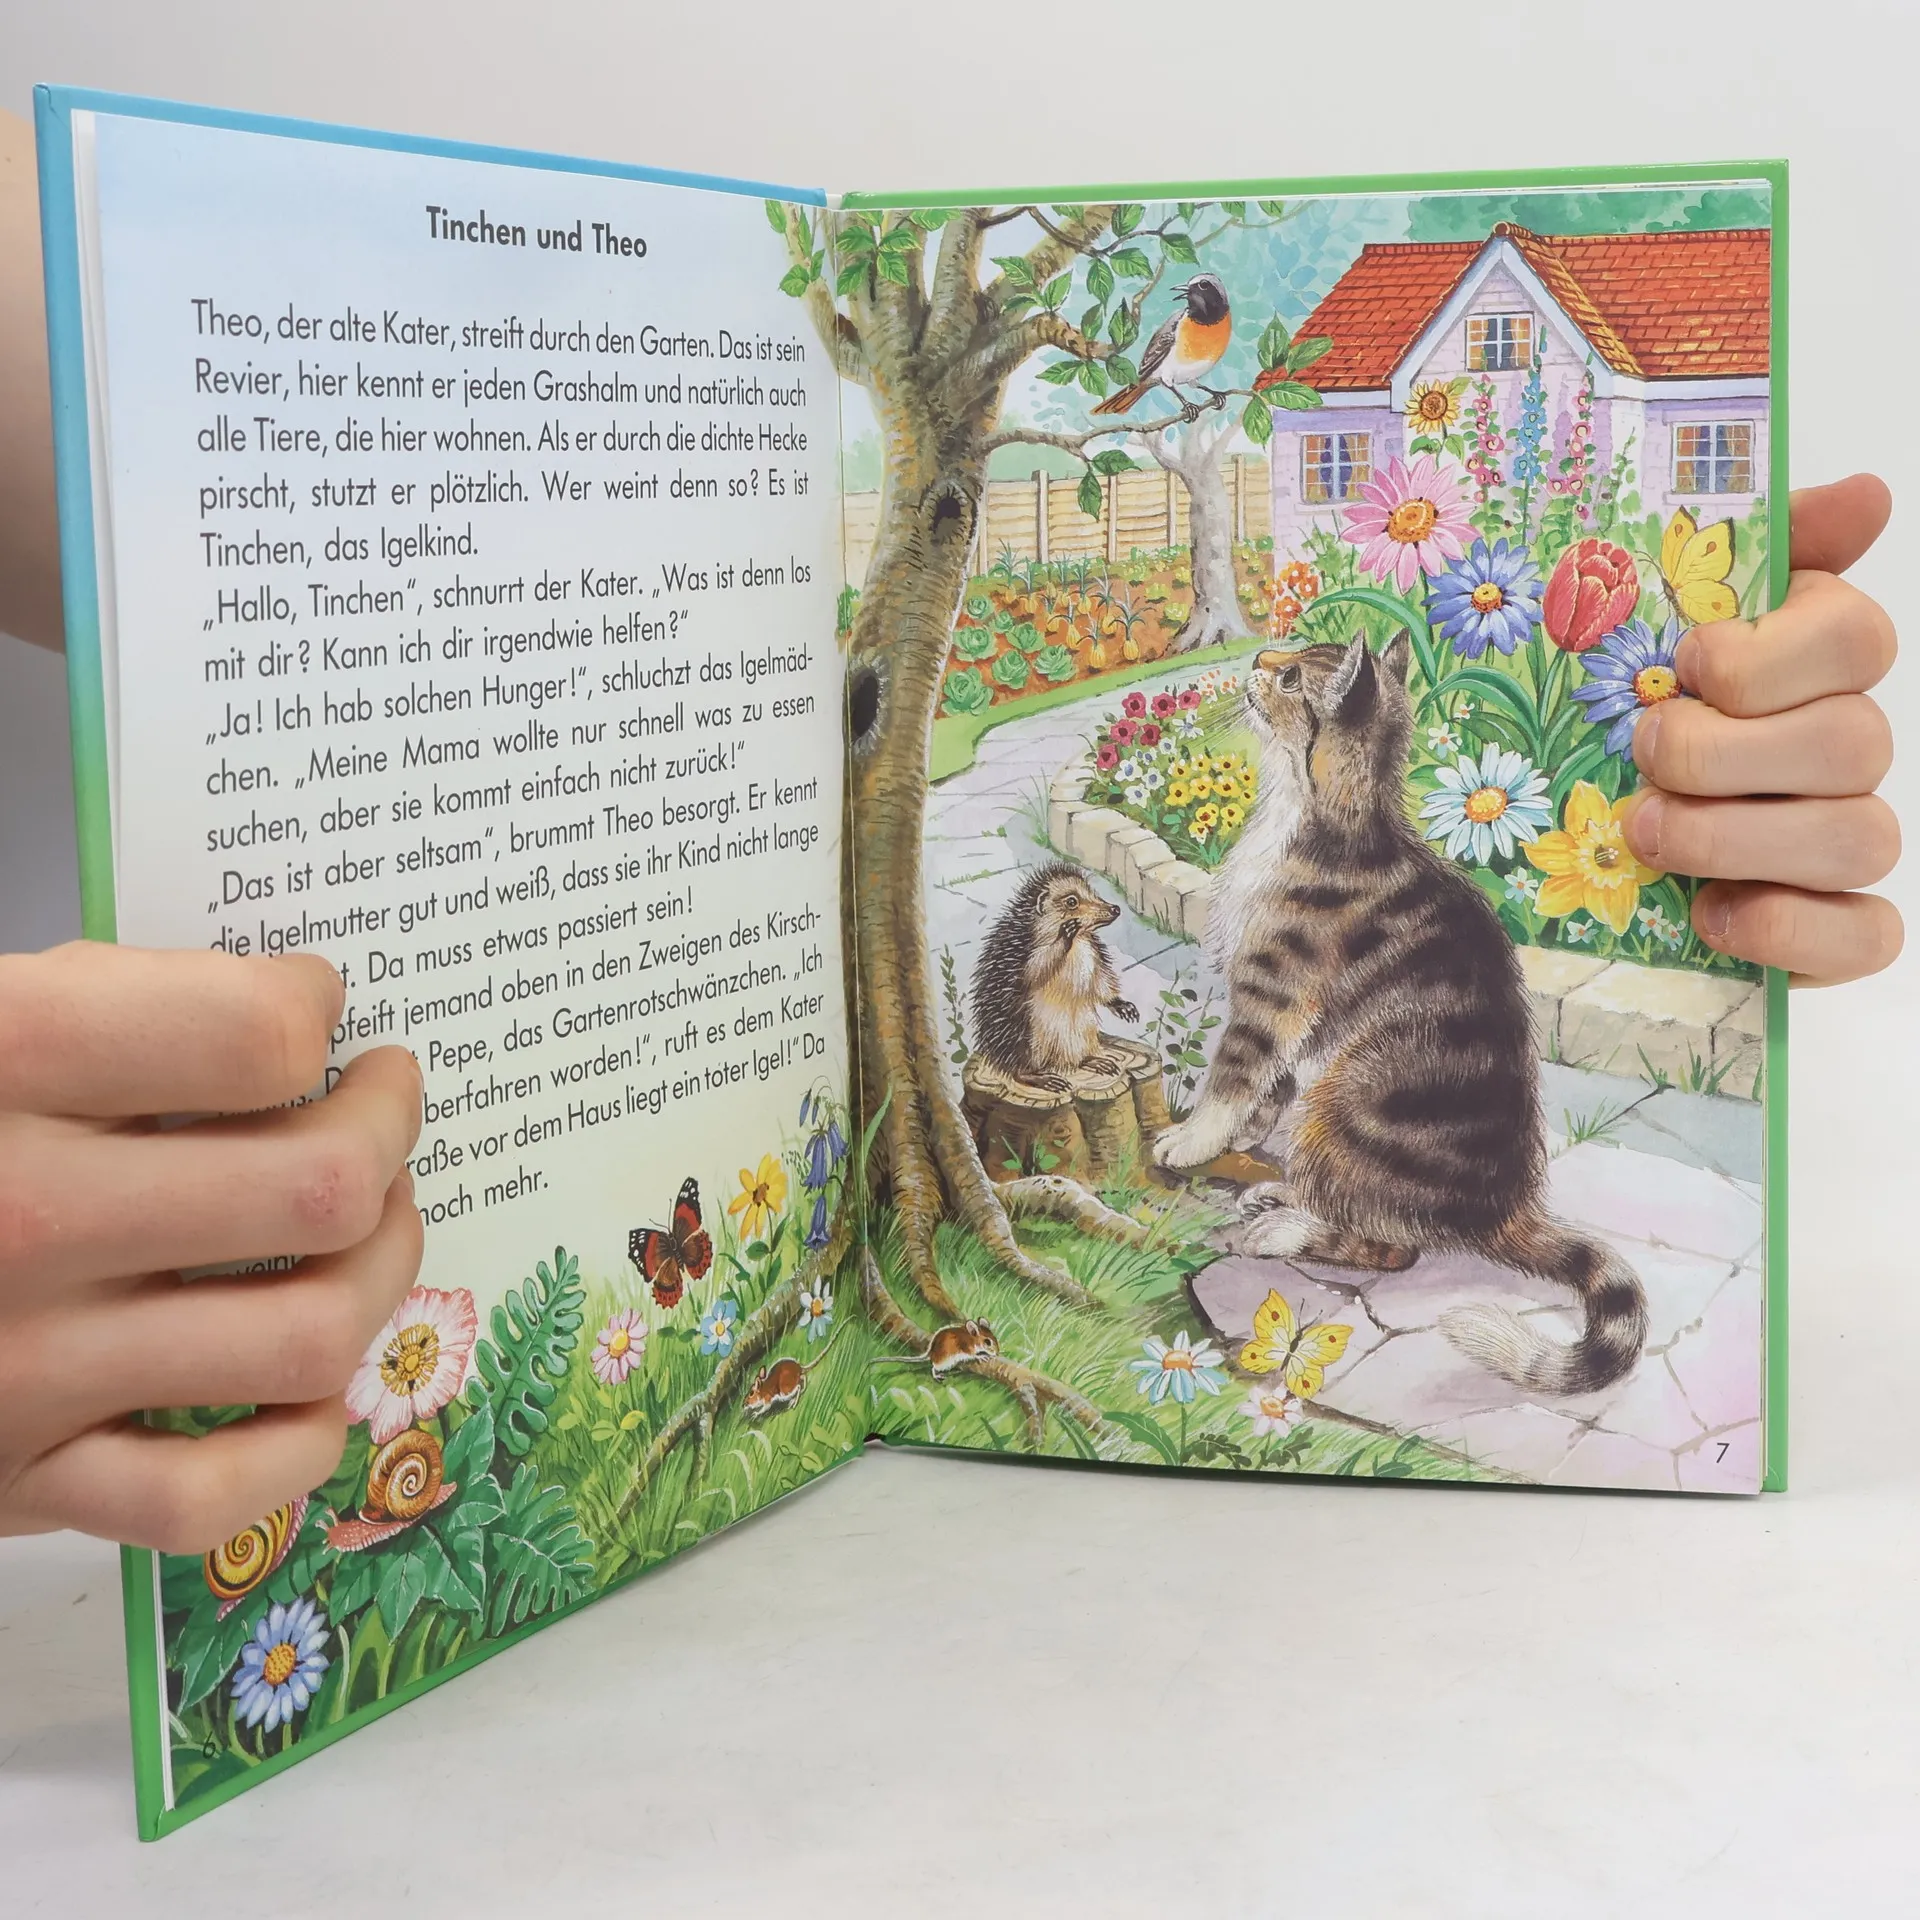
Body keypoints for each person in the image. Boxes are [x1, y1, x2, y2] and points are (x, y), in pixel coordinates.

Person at [0, 108, 1901, 1553]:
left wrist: (1677, 794)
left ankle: (1382, 1231)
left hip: (1400, 1193)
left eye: (1293, 691)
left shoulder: (1335, 855)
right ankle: (1373, 1217)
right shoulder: (1324, 824)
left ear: (1333, 737)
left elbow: (1273, 1014)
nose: (1268, 690)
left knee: (1311, 1099)